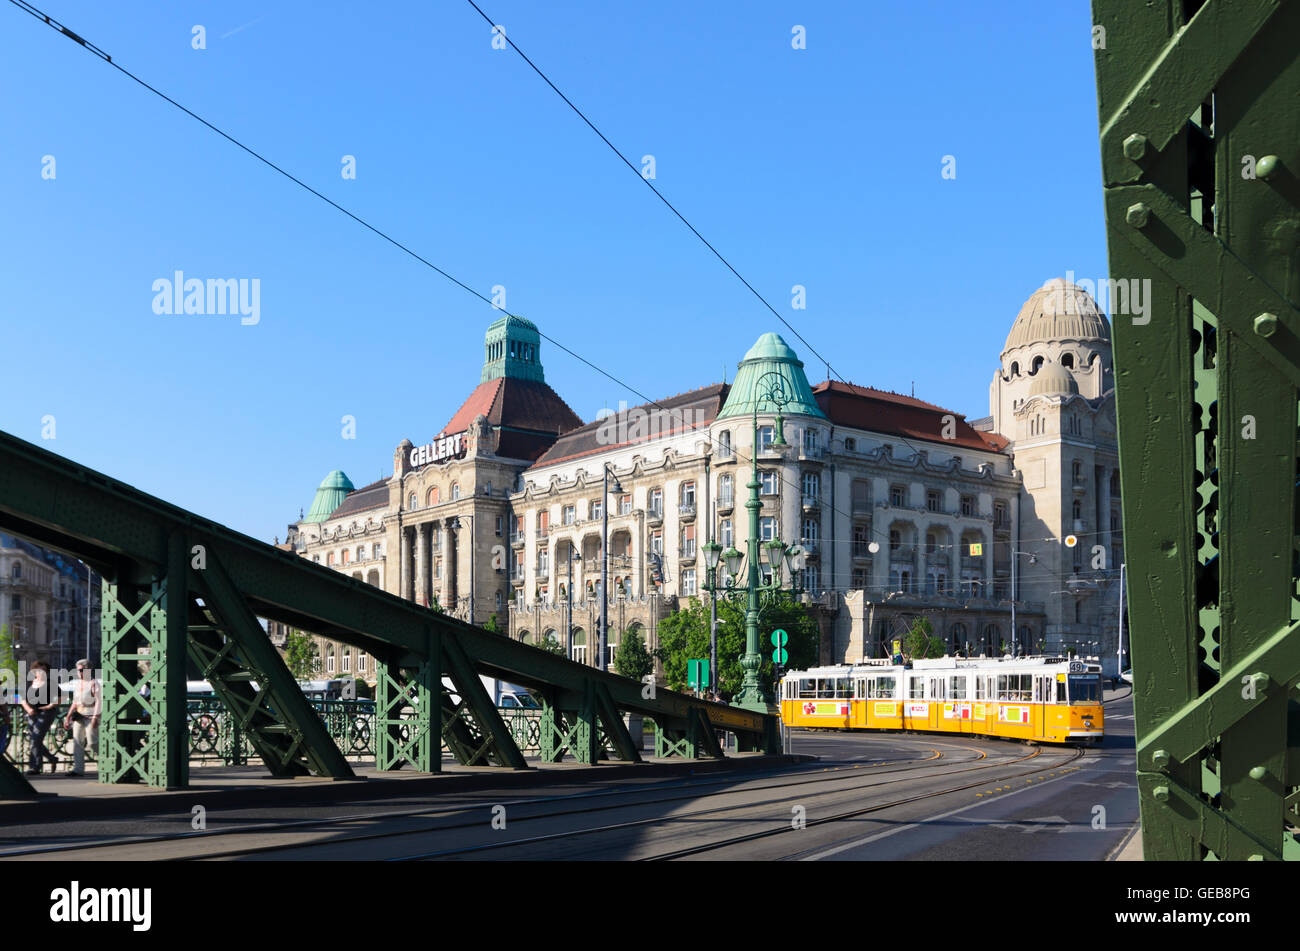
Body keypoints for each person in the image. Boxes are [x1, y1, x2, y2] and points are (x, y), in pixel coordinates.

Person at [21, 661, 59, 775]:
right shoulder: (28, 683)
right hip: (31, 714)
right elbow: (21, 698)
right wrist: (28, 709)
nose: (42, 672)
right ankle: (51, 758)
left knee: (35, 739)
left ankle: (35, 766)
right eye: (39, 670)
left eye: (44, 670)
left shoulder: (50, 683)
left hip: (46, 714)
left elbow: (61, 696)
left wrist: (50, 705)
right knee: (34, 739)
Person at [64, 659, 100, 776]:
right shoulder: (78, 684)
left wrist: (95, 717)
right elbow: (75, 701)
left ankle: (105, 761)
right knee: (77, 742)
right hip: (79, 714)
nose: (79, 673)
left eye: (81, 670)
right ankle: (78, 769)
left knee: (93, 741)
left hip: (90, 713)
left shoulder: (94, 683)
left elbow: (99, 701)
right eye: (78, 670)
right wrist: (68, 715)